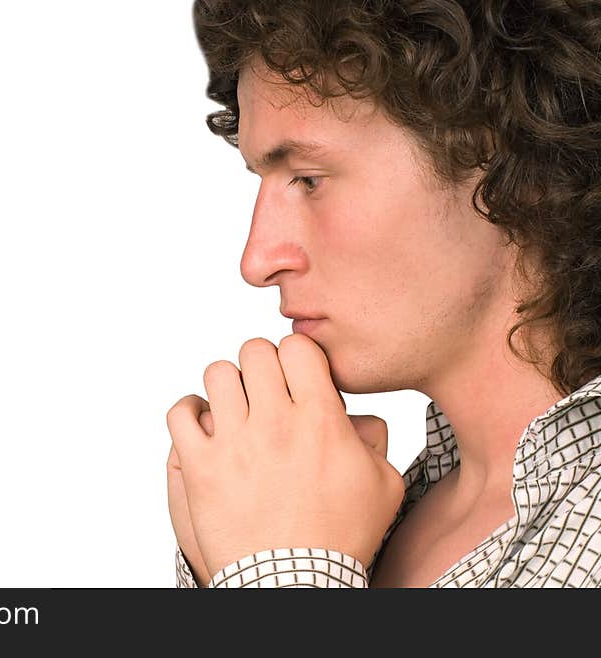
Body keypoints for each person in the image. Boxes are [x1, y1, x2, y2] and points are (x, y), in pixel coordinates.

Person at [166, 0, 601, 588]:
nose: (258, 261)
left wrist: (277, 570)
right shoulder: (376, 511)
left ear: (500, 160)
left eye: (310, 179)